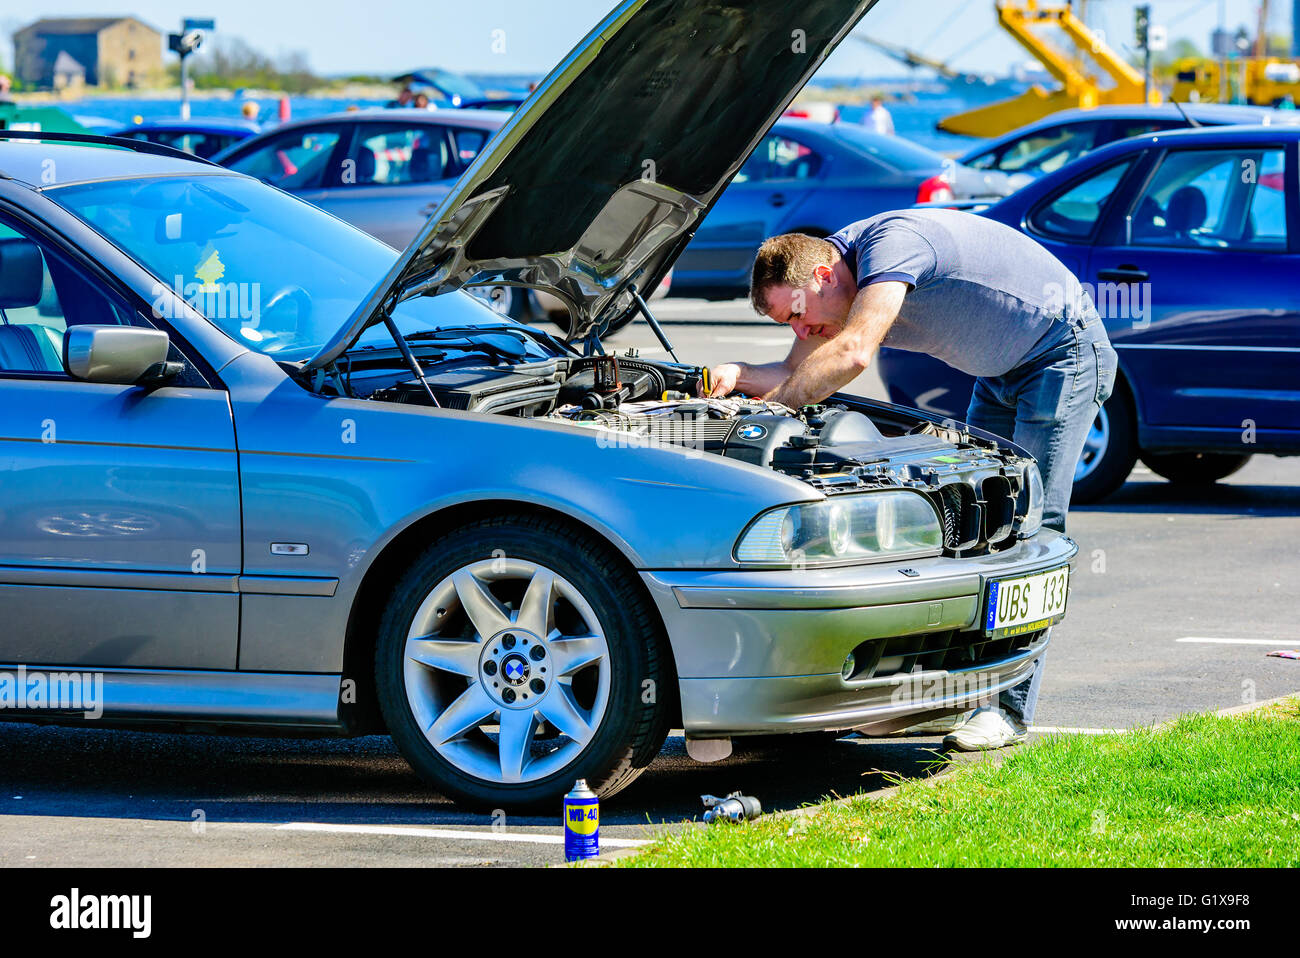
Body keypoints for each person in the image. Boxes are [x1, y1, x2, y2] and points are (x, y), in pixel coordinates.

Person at [708, 210, 1117, 750]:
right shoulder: (828, 293)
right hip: (1000, 372)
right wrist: (737, 375)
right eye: (790, 325)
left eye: (800, 316)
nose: (801, 331)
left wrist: (776, 408)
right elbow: (797, 373)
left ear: (825, 276)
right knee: (971, 525)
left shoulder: (892, 247)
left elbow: (852, 355)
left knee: (1031, 528)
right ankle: (947, 702)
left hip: (1062, 353)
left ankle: (1008, 712)